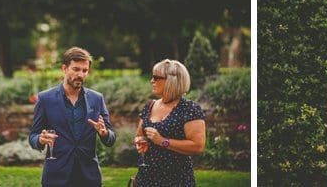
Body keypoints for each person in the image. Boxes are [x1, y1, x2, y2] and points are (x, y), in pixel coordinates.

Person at [28, 47, 116, 186]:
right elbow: (33, 136)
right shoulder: (45, 99)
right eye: (76, 69)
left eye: (84, 70)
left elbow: (111, 139)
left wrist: (104, 133)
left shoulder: (96, 99)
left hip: (89, 177)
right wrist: (40, 139)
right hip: (56, 176)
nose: (81, 74)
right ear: (64, 68)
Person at [132, 59, 206, 186]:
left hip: (176, 179)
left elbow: (197, 146)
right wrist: (140, 141)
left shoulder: (189, 109)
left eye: (156, 78)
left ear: (171, 81)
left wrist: (162, 141)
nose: (151, 81)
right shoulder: (150, 106)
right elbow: (140, 135)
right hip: (146, 178)